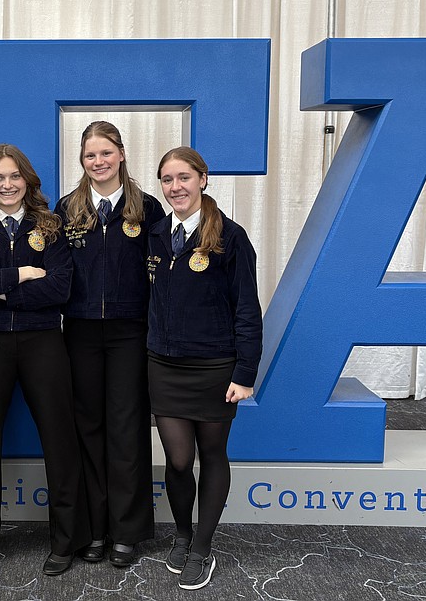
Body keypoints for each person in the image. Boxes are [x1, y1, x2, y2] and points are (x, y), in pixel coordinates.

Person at [0, 143, 90, 578]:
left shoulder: (50, 226)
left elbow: (60, 289)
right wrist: (22, 274)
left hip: (42, 342)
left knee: (60, 440)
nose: (7, 185)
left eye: (15, 176)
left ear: (28, 180)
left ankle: (66, 540)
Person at [146, 146, 263, 590]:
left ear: (203, 179)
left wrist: (244, 373)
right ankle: (181, 533)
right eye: (167, 180)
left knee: (212, 455)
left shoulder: (230, 238)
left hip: (215, 368)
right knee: (177, 460)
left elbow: (247, 311)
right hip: (164, 365)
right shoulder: (155, 235)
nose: (175, 187)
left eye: (183, 178)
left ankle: (202, 547)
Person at [53, 121, 164, 567]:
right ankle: (93, 529)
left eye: (105, 153)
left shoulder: (148, 208)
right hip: (79, 331)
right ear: (81, 162)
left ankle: (126, 531)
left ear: (121, 154)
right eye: (89, 156)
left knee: (126, 430)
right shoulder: (66, 209)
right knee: (88, 429)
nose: (98, 162)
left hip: (129, 333)